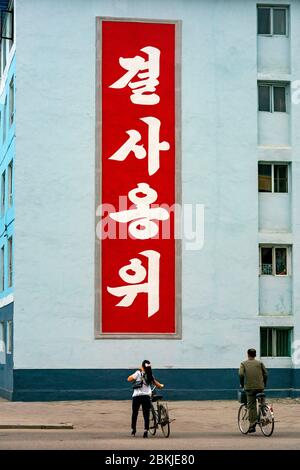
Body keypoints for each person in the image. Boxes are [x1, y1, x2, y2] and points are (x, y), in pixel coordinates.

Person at [127, 360, 164, 438]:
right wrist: (161, 385)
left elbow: (129, 379)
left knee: (135, 413)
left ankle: (133, 429)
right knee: (146, 414)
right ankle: (145, 431)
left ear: (142, 366)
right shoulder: (150, 375)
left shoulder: (138, 373)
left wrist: (135, 377)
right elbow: (156, 383)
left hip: (136, 396)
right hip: (146, 397)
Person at [239, 348, 268, 433]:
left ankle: (252, 424)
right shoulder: (260, 363)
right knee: (262, 400)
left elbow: (240, 374)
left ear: (248, 354)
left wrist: (242, 384)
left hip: (249, 388)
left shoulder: (243, 364)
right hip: (260, 387)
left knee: (251, 405)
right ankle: (264, 414)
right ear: (255, 355)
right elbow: (266, 373)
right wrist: (264, 384)